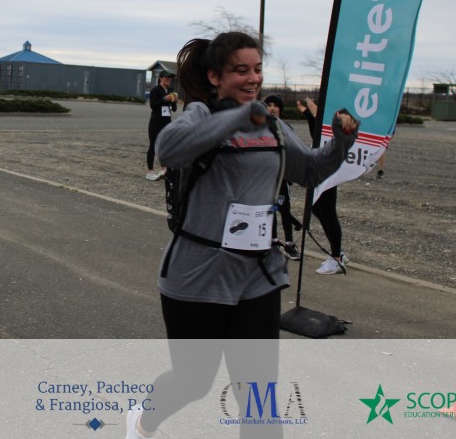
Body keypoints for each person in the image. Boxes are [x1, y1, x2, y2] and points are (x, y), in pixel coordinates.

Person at [127, 32, 358, 439]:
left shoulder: (270, 124)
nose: (253, 78)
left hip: (256, 277)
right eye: (241, 70)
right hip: (198, 277)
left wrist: (342, 142)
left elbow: (309, 171)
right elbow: (170, 149)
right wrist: (237, 115)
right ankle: (143, 419)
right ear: (215, 76)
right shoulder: (200, 114)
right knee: (193, 383)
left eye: (257, 69)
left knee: (257, 397)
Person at [298, 96, 348, 275]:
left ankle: (337, 257)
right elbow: (317, 136)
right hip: (320, 167)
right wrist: (309, 115)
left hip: (329, 170)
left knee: (327, 211)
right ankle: (337, 251)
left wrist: (314, 113)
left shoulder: (337, 119)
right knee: (317, 209)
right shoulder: (324, 121)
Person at [263, 94, 302, 260]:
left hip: (282, 178)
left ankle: (289, 244)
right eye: (269, 105)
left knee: (284, 209)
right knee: (270, 210)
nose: (272, 108)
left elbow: (294, 151)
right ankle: (272, 242)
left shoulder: (286, 128)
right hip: (266, 179)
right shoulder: (260, 128)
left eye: (276, 105)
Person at [146, 70, 178, 180]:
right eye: (166, 77)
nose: (169, 79)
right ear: (160, 78)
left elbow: (174, 109)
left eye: (170, 77)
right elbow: (153, 105)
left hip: (166, 122)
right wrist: (165, 99)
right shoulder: (155, 90)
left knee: (164, 145)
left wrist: (174, 101)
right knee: (153, 145)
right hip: (156, 122)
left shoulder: (170, 90)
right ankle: (150, 171)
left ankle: (163, 169)